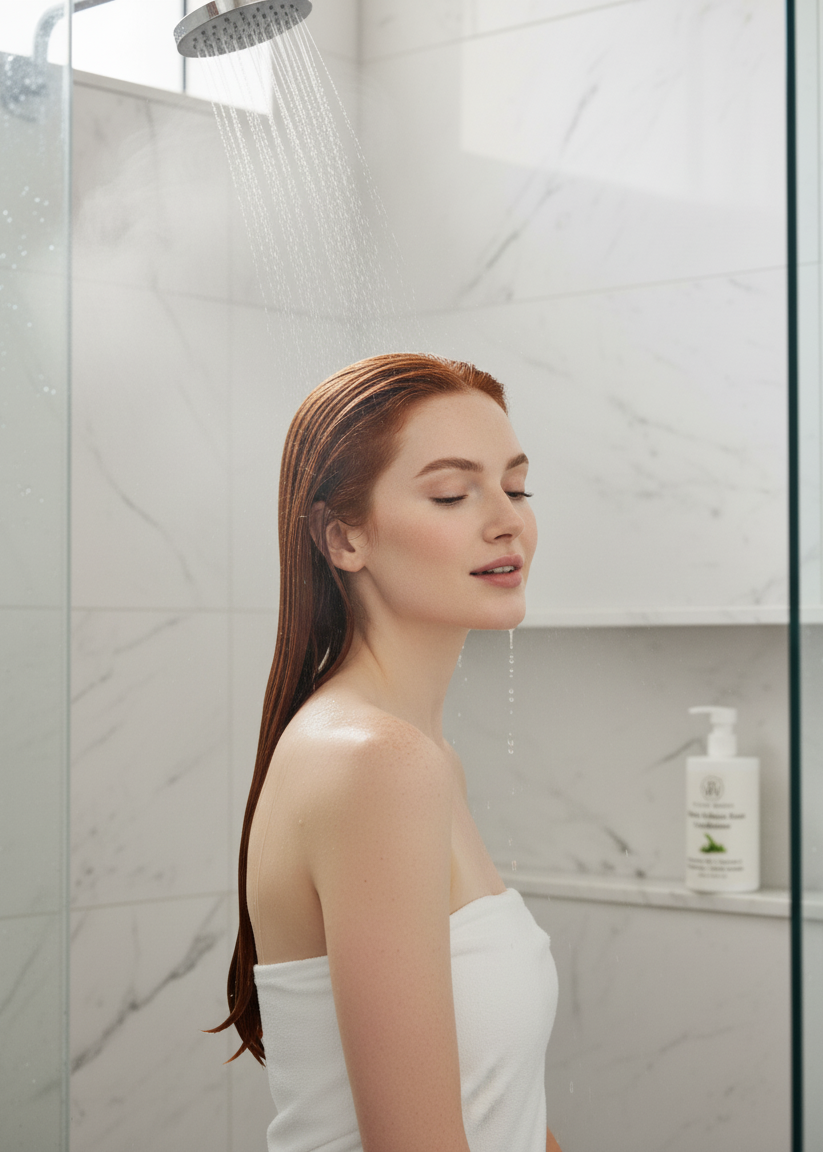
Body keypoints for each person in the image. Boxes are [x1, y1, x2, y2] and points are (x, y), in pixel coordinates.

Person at [209, 353, 561, 1152]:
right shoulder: (378, 763)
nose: (506, 518)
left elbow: (506, 1110)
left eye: (517, 485)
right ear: (344, 538)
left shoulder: (417, 754)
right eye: (451, 492)